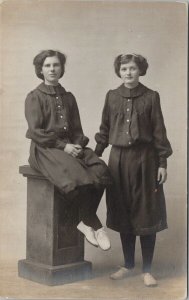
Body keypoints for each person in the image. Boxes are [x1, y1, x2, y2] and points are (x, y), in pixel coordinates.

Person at [95, 54, 173, 286]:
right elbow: (104, 129)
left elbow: (159, 132)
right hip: (118, 161)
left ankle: (147, 269)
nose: (128, 73)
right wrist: (94, 155)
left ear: (141, 71)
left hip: (145, 161)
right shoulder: (112, 96)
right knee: (123, 211)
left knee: (146, 211)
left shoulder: (151, 97)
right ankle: (128, 265)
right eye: (124, 69)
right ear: (119, 71)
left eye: (132, 69)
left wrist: (162, 163)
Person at [25, 50, 112, 251]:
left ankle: (83, 221)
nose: (52, 69)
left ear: (61, 68)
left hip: (71, 145)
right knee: (77, 175)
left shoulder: (68, 97)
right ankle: (95, 225)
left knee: (101, 170)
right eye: (47, 65)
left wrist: (78, 144)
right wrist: (64, 146)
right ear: (40, 69)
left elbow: (77, 129)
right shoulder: (34, 97)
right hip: (45, 149)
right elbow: (36, 132)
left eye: (56, 65)